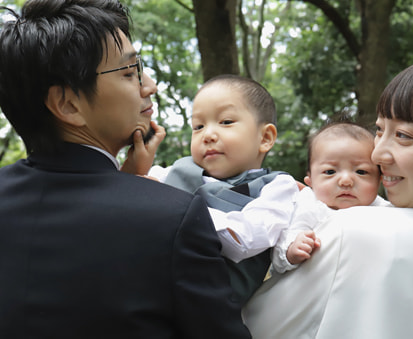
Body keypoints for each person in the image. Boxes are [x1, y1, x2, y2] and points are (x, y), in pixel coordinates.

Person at [0, 1, 251, 338]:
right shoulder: (172, 217)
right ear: (67, 104)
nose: (149, 86)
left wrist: (123, 181)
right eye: (129, 72)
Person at [243, 56, 413, 339]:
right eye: (380, 130)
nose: (376, 155)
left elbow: (252, 328)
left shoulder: (356, 231)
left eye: (403, 135)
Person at [146, 74, 299, 304]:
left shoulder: (276, 187)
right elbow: (134, 189)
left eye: (226, 122)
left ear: (265, 137)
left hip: (210, 305)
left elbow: (245, 239)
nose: (207, 135)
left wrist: (173, 205)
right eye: (198, 126)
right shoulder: (173, 172)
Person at [272, 121, 390, 274]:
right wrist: (292, 250)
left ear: (379, 179)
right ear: (310, 182)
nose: (346, 181)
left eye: (361, 172)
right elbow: (281, 250)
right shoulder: (310, 204)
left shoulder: (383, 209)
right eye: (330, 172)